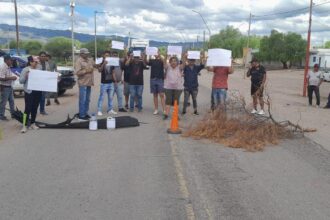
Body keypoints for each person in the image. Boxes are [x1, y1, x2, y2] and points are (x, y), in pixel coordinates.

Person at [19, 56, 42, 133]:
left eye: (37, 62)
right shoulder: (25, 70)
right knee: (28, 108)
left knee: (35, 108)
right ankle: (24, 125)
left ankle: (33, 123)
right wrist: (26, 76)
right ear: (30, 62)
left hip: (38, 91)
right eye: (35, 62)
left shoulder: (39, 69)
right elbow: (21, 81)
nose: (36, 63)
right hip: (29, 92)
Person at [75, 48, 95, 121]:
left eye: (87, 53)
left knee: (87, 99)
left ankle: (85, 113)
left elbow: (95, 65)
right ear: (81, 54)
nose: (87, 54)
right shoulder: (78, 61)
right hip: (83, 83)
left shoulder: (89, 60)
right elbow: (77, 73)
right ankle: (81, 115)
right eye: (85, 53)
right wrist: (86, 71)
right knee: (82, 100)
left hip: (89, 83)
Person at [163, 56, 185, 120]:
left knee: (176, 101)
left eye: (175, 61)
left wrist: (184, 56)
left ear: (177, 62)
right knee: (168, 101)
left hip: (178, 88)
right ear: (170, 62)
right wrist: (165, 54)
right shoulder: (168, 67)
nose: (173, 62)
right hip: (168, 87)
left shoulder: (179, 68)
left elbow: (183, 64)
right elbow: (164, 63)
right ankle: (166, 114)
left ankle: (175, 115)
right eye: (172, 61)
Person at [97, 51, 116, 116]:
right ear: (103, 56)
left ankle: (110, 109)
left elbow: (113, 72)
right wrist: (103, 64)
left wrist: (115, 80)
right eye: (106, 55)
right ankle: (99, 110)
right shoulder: (101, 61)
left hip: (111, 83)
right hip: (104, 83)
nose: (107, 56)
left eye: (108, 55)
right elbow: (99, 70)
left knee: (110, 97)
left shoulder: (111, 62)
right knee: (101, 97)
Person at [0, 55, 16, 121]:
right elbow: (1, 78)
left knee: (11, 101)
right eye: (10, 60)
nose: (11, 61)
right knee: (3, 102)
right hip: (5, 87)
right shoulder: (3, 67)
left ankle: (13, 114)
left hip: (9, 86)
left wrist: (12, 78)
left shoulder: (8, 67)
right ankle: (1, 115)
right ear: (6, 60)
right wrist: (11, 78)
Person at [37, 51, 50, 115]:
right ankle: (34, 110)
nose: (43, 57)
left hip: (44, 83)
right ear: (39, 57)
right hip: (37, 83)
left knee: (43, 97)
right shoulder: (36, 63)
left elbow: (49, 71)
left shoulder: (47, 63)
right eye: (42, 56)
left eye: (44, 56)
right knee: (36, 98)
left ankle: (42, 110)